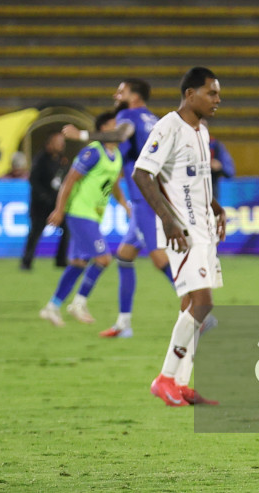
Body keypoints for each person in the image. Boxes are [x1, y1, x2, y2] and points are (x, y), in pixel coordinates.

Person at [133, 67, 225, 407]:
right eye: (211, 93)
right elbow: (143, 173)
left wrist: (216, 206)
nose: (218, 100)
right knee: (203, 303)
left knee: (190, 305)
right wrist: (168, 221)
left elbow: (194, 177)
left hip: (203, 228)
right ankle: (166, 377)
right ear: (190, 94)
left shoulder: (201, 129)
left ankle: (182, 383)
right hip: (183, 232)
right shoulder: (168, 126)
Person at [63, 79, 179, 339]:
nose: (116, 95)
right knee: (125, 257)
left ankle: (200, 312)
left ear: (134, 96)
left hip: (143, 197)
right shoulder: (154, 119)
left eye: (121, 91)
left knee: (159, 259)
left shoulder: (128, 115)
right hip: (152, 194)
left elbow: (119, 135)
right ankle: (124, 323)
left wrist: (81, 135)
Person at [39, 112, 128, 326]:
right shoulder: (93, 151)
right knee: (103, 259)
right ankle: (78, 303)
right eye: (114, 124)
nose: (118, 127)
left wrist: (125, 205)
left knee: (79, 262)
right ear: (103, 129)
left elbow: (113, 184)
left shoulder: (116, 155)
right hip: (80, 212)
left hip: (93, 215)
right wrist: (59, 209)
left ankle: (52, 306)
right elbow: (70, 180)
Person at [21, 132, 70, 270]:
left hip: (56, 204)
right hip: (40, 205)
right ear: (49, 144)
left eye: (62, 142)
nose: (61, 145)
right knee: (36, 231)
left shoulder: (63, 160)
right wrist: (43, 196)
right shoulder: (41, 159)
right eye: (58, 142)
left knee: (66, 230)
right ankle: (27, 261)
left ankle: (61, 260)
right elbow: (33, 180)